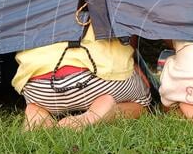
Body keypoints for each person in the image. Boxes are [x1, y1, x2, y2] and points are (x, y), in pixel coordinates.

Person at [12, 24, 151, 130]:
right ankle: (99, 114)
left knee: (39, 102)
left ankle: (37, 111)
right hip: (97, 77)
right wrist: (131, 60)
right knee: (142, 103)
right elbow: (127, 30)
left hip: (39, 87)